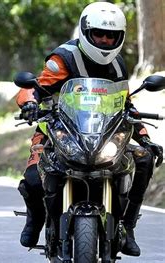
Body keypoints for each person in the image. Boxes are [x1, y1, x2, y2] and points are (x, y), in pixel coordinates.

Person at [15, 2, 162, 257]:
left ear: (120, 37)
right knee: (32, 179)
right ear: (85, 31)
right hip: (59, 131)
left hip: (106, 133)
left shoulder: (118, 64)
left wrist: (146, 139)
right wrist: (29, 104)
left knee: (145, 158)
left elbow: (126, 104)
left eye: (111, 36)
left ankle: (128, 226)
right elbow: (34, 88)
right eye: (99, 34)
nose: (105, 40)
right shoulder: (63, 58)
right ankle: (35, 221)